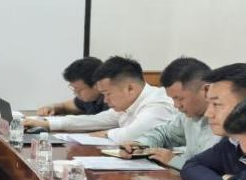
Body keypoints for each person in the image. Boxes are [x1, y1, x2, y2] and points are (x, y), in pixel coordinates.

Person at [25, 55, 176, 141]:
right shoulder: (127, 104)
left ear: (130, 88)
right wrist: (48, 124)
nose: (105, 101)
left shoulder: (158, 103)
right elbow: (95, 120)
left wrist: (107, 133)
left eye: (108, 94)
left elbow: (132, 135)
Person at [117, 56, 218, 168]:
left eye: (180, 98)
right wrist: (139, 145)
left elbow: (212, 170)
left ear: (206, 90)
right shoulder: (186, 115)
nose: (176, 105)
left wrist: (175, 161)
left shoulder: (225, 124)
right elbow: (165, 133)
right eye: (173, 99)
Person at [34, 57, 106, 118]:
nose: (75, 93)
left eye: (78, 89)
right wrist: (51, 107)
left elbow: (99, 123)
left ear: (96, 85)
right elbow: (64, 106)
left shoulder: (109, 100)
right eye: (73, 88)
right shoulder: (89, 98)